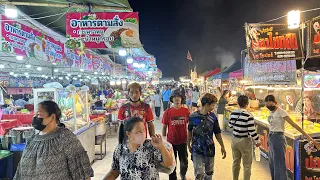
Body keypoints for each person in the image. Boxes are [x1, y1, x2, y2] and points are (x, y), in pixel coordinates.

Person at [13, 101, 93, 180]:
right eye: (34, 114)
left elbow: (83, 171)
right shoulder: (31, 140)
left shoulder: (65, 138)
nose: (35, 117)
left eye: (38, 114)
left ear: (52, 117)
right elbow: (20, 172)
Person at [103, 117, 175, 180]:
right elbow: (114, 171)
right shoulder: (120, 149)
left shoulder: (151, 146)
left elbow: (169, 164)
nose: (143, 133)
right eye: (138, 132)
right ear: (128, 134)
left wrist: (161, 147)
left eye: (143, 130)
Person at [264, 95, 315, 180]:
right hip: (272, 137)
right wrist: (269, 139)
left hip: (278, 138)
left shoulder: (281, 112)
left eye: (270, 105)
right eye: (267, 105)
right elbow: (271, 126)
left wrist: (308, 137)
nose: (269, 107)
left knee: (279, 163)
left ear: (275, 103)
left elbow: (294, 124)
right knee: (272, 162)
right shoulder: (271, 112)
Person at [187, 93, 226, 180]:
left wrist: (222, 146)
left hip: (210, 149)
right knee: (199, 173)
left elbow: (217, 133)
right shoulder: (193, 117)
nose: (214, 107)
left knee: (209, 173)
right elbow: (189, 131)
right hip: (196, 148)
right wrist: (188, 144)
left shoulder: (213, 117)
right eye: (213, 105)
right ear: (207, 105)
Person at [229, 95, 261, 180]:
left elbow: (230, 125)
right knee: (247, 165)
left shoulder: (233, 113)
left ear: (238, 103)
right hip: (245, 141)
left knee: (235, 162)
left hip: (234, 140)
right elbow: (252, 131)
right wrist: (257, 141)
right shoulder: (248, 115)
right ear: (247, 103)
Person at [162, 92, 190, 180]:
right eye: (175, 97)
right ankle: (172, 177)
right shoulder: (168, 112)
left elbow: (190, 125)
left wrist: (190, 138)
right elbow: (164, 126)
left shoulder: (186, 111)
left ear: (181, 99)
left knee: (184, 161)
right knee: (172, 162)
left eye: (178, 97)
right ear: (172, 100)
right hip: (171, 141)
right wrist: (163, 140)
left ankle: (183, 175)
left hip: (183, 140)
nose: (177, 99)